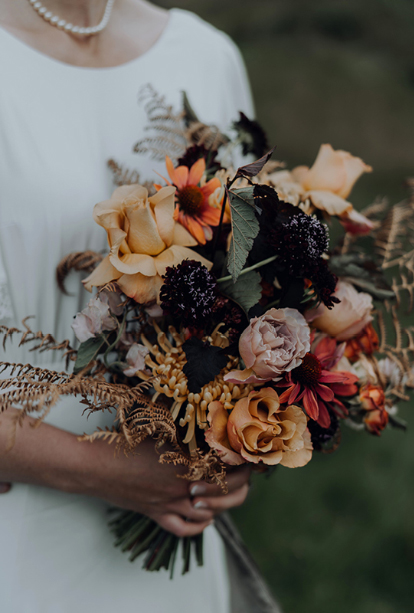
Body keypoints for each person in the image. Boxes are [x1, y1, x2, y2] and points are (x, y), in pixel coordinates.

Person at [0, 1, 256, 609]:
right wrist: (116, 474)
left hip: (179, 539)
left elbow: (253, 281)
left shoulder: (206, 56)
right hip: (23, 536)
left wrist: (249, 431)